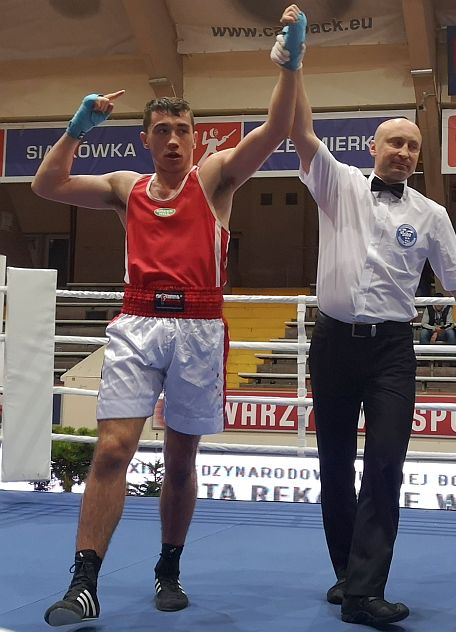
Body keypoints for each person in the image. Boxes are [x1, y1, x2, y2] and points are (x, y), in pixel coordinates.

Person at [31, 6, 307, 626]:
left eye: (183, 129)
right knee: (112, 451)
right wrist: (77, 127)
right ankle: (83, 581)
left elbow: (277, 128)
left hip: (199, 329)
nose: (175, 139)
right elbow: (46, 188)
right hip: (136, 325)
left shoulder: (213, 180)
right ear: (146, 139)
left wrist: (291, 62)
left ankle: (169, 567)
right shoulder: (124, 186)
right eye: (163, 130)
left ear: (197, 136)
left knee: (181, 460)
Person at [285, 51, 456, 628]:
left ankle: (365, 591)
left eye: (413, 146)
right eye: (395, 143)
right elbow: (301, 131)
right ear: (373, 149)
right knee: (334, 464)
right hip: (332, 344)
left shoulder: (432, 215)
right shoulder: (339, 186)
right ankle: (346, 577)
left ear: (419, 156)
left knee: (384, 463)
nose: (404, 152)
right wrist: (296, 62)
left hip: (390, 352)